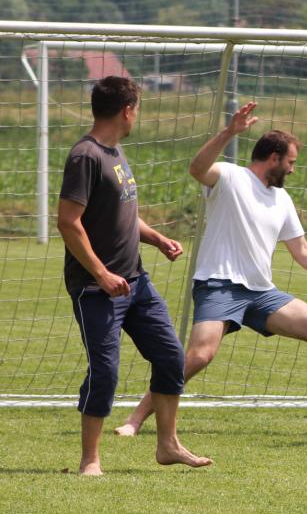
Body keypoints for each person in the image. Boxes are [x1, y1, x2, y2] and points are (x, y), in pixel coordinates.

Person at [115, 102, 307, 439]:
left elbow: (303, 251)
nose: (293, 170)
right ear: (273, 158)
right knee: (200, 355)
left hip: (261, 293)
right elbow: (197, 168)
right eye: (291, 162)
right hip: (219, 285)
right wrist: (229, 132)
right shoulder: (229, 176)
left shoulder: (282, 200)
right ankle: (135, 419)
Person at [56, 76, 210, 475]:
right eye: (137, 108)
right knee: (105, 371)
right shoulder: (86, 156)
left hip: (136, 283)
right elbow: (69, 222)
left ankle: (168, 445)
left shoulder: (115, 152)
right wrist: (102, 274)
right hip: (97, 289)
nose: (137, 115)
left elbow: (121, 215)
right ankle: (90, 459)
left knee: (171, 357)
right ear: (127, 110)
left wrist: (157, 238)